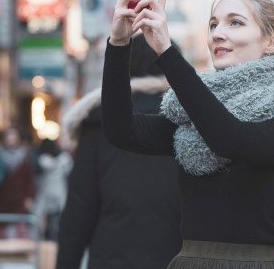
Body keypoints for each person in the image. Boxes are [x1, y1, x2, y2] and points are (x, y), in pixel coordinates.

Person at [101, 0, 274, 268]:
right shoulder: (193, 115)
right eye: (213, 24)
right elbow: (121, 131)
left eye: (234, 22)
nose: (217, 34)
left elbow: (230, 139)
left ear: (272, 42)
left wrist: (166, 52)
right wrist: (119, 42)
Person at [56, 34, 182, 269]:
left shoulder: (99, 123)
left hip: (111, 258)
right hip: (175, 259)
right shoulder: (190, 120)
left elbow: (80, 207)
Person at [0, 127, 36, 239]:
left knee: (20, 228)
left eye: (14, 136)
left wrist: (29, 196)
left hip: (19, 197)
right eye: (9, 136)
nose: (11, 139)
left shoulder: (25, 155)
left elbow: (29, 178)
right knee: (1, 228)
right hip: (2, 198)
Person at [33, 139, 72, 241]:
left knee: (46, 221)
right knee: (55, 222)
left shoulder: (42, 161)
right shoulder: (65, 161)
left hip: (47, 194)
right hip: (59, 194)